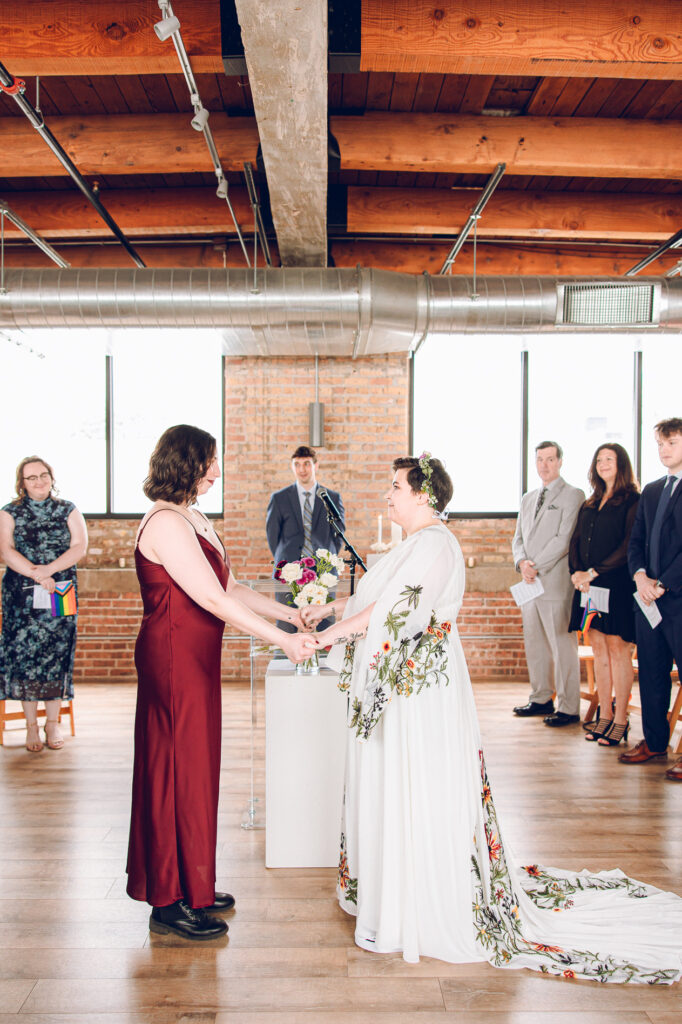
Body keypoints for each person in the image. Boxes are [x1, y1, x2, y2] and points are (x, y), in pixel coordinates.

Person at [302, 453, 682, 980]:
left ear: (423, 496)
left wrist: (323, 638)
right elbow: (378, 600)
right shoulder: (415, 543)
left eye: (395, 487)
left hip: (420, 695)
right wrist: (329, 613)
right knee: (403, 784)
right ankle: (395, 891)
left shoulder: (436, 543)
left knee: (421, 784)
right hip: (404, 686)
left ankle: (422, 899)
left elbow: (395, 613)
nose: (387, 495)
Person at [126, 425, 316, 941]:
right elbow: (213, 601)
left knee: (197, 769)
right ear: (185, 463)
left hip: (195, 658)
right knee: (175, 770)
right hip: (172, 660)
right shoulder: (165, 522)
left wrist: (288, 616)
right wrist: (280, 643)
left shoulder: (190, 515)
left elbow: (229, 586)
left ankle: (194, 884)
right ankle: (168, 899)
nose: (216, 471)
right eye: (210, 462)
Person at [0, 456, 88, 753]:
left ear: (52, 476)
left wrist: (49, 572)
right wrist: (36, 574)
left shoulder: (68, 509)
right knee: (25, 657)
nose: (39, 481)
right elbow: (6, 550)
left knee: (56, 652)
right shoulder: (9, 512)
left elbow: (79, 546)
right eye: (31, 477)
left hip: (60, 590)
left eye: (43, 474)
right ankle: (31, 727)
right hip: (21, 594)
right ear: (21, 483)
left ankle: (52, 724)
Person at [568, 444, 639, 747]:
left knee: (617, 650)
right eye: (599, 460)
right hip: (588, 588)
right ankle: (605, 716)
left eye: (609, 459)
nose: (603, 464)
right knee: (598, 649)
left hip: (616, 585)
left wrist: (593, 572)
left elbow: (628, 545)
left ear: (621, 464)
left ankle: (621, 720)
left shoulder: (632, 500)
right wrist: (576, 573)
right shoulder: (590, 501)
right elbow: (575, 540)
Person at [622, 417, 682, 779]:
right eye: (659, 444)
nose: (663, 450)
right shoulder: (654, 489)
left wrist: (665, 583)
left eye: (671, 443)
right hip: (648, 600)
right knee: (653, 675)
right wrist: (641, 576)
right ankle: (656, 743)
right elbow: (637, 540)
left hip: (676, 597)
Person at [511, 442, 585, 725]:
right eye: (540, 460)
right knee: (535, 643)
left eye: (550, 459)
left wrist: (536, 565)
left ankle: (568, 707)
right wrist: (522, 563)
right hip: (529, 582)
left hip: (554, 582)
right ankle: (541, 698)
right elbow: (517, 537)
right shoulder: (528, 498)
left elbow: (564, 539)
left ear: (560, 461)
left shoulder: (573, 495)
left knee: (561, 645)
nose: (544, 465)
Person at [266, 444, 345, 631]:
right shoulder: (280, 498)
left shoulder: (331, 496)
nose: (302, 469)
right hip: (288, 574)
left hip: (324, 574)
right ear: (292, 467)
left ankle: (325, 661)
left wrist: (326, 560)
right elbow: (273, 537)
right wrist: (286, 560)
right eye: (297, 464)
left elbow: (339, 534)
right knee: (288, 627)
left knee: (325, 629)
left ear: (315, 466)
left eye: (307, 464)